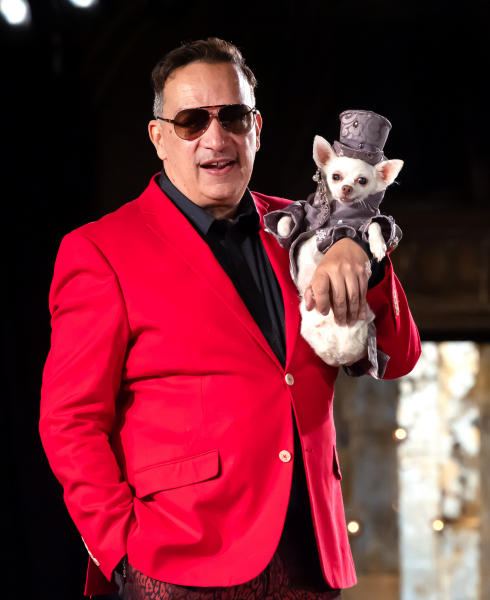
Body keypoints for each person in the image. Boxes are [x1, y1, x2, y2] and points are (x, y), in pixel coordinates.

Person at [40, 37, 421, 600]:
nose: (216, 139)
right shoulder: (101, 250)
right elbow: (70, 421)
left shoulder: (308, 229)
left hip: (310, 557)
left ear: (256, 129)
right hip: (178, 563)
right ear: (159, 138)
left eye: (234, 117)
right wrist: (121, 550)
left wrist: (365, 256)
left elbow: (399, 358)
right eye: (192, 121)